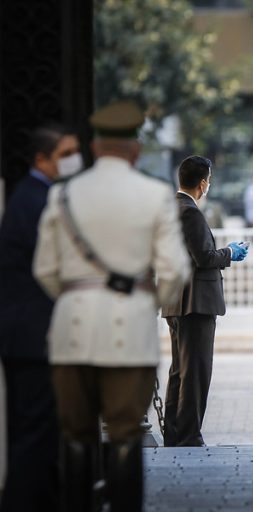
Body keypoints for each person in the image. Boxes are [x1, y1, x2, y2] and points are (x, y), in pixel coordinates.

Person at [32, 100, 190, 511]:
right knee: (124, 433)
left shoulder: (62, 195)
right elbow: (174, 272)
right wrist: (145, 302)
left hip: (72, 329)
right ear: (134, 149)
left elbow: (45, 270)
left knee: (76, 432)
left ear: (95, 147)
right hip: (129, 330)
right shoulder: (155, 195)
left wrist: (76, 297)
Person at [0, 123, 80, 511]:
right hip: (34, 337)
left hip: (33, 335)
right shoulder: (36, 201)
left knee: (43, 435)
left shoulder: (36, 196)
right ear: (41, 159)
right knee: (34, 437)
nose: (73, 161)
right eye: (65, 154)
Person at [161, 156, 248, 447]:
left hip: (176, 300)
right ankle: (188, 435)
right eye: (208, 180)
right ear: (202, 183)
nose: (208, 185)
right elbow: (205, 257)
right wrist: (230, 252)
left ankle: (174, 432)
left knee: (179, 371)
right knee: (195, 372)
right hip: (194, 302)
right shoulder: (190, 212)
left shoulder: (170, 208)